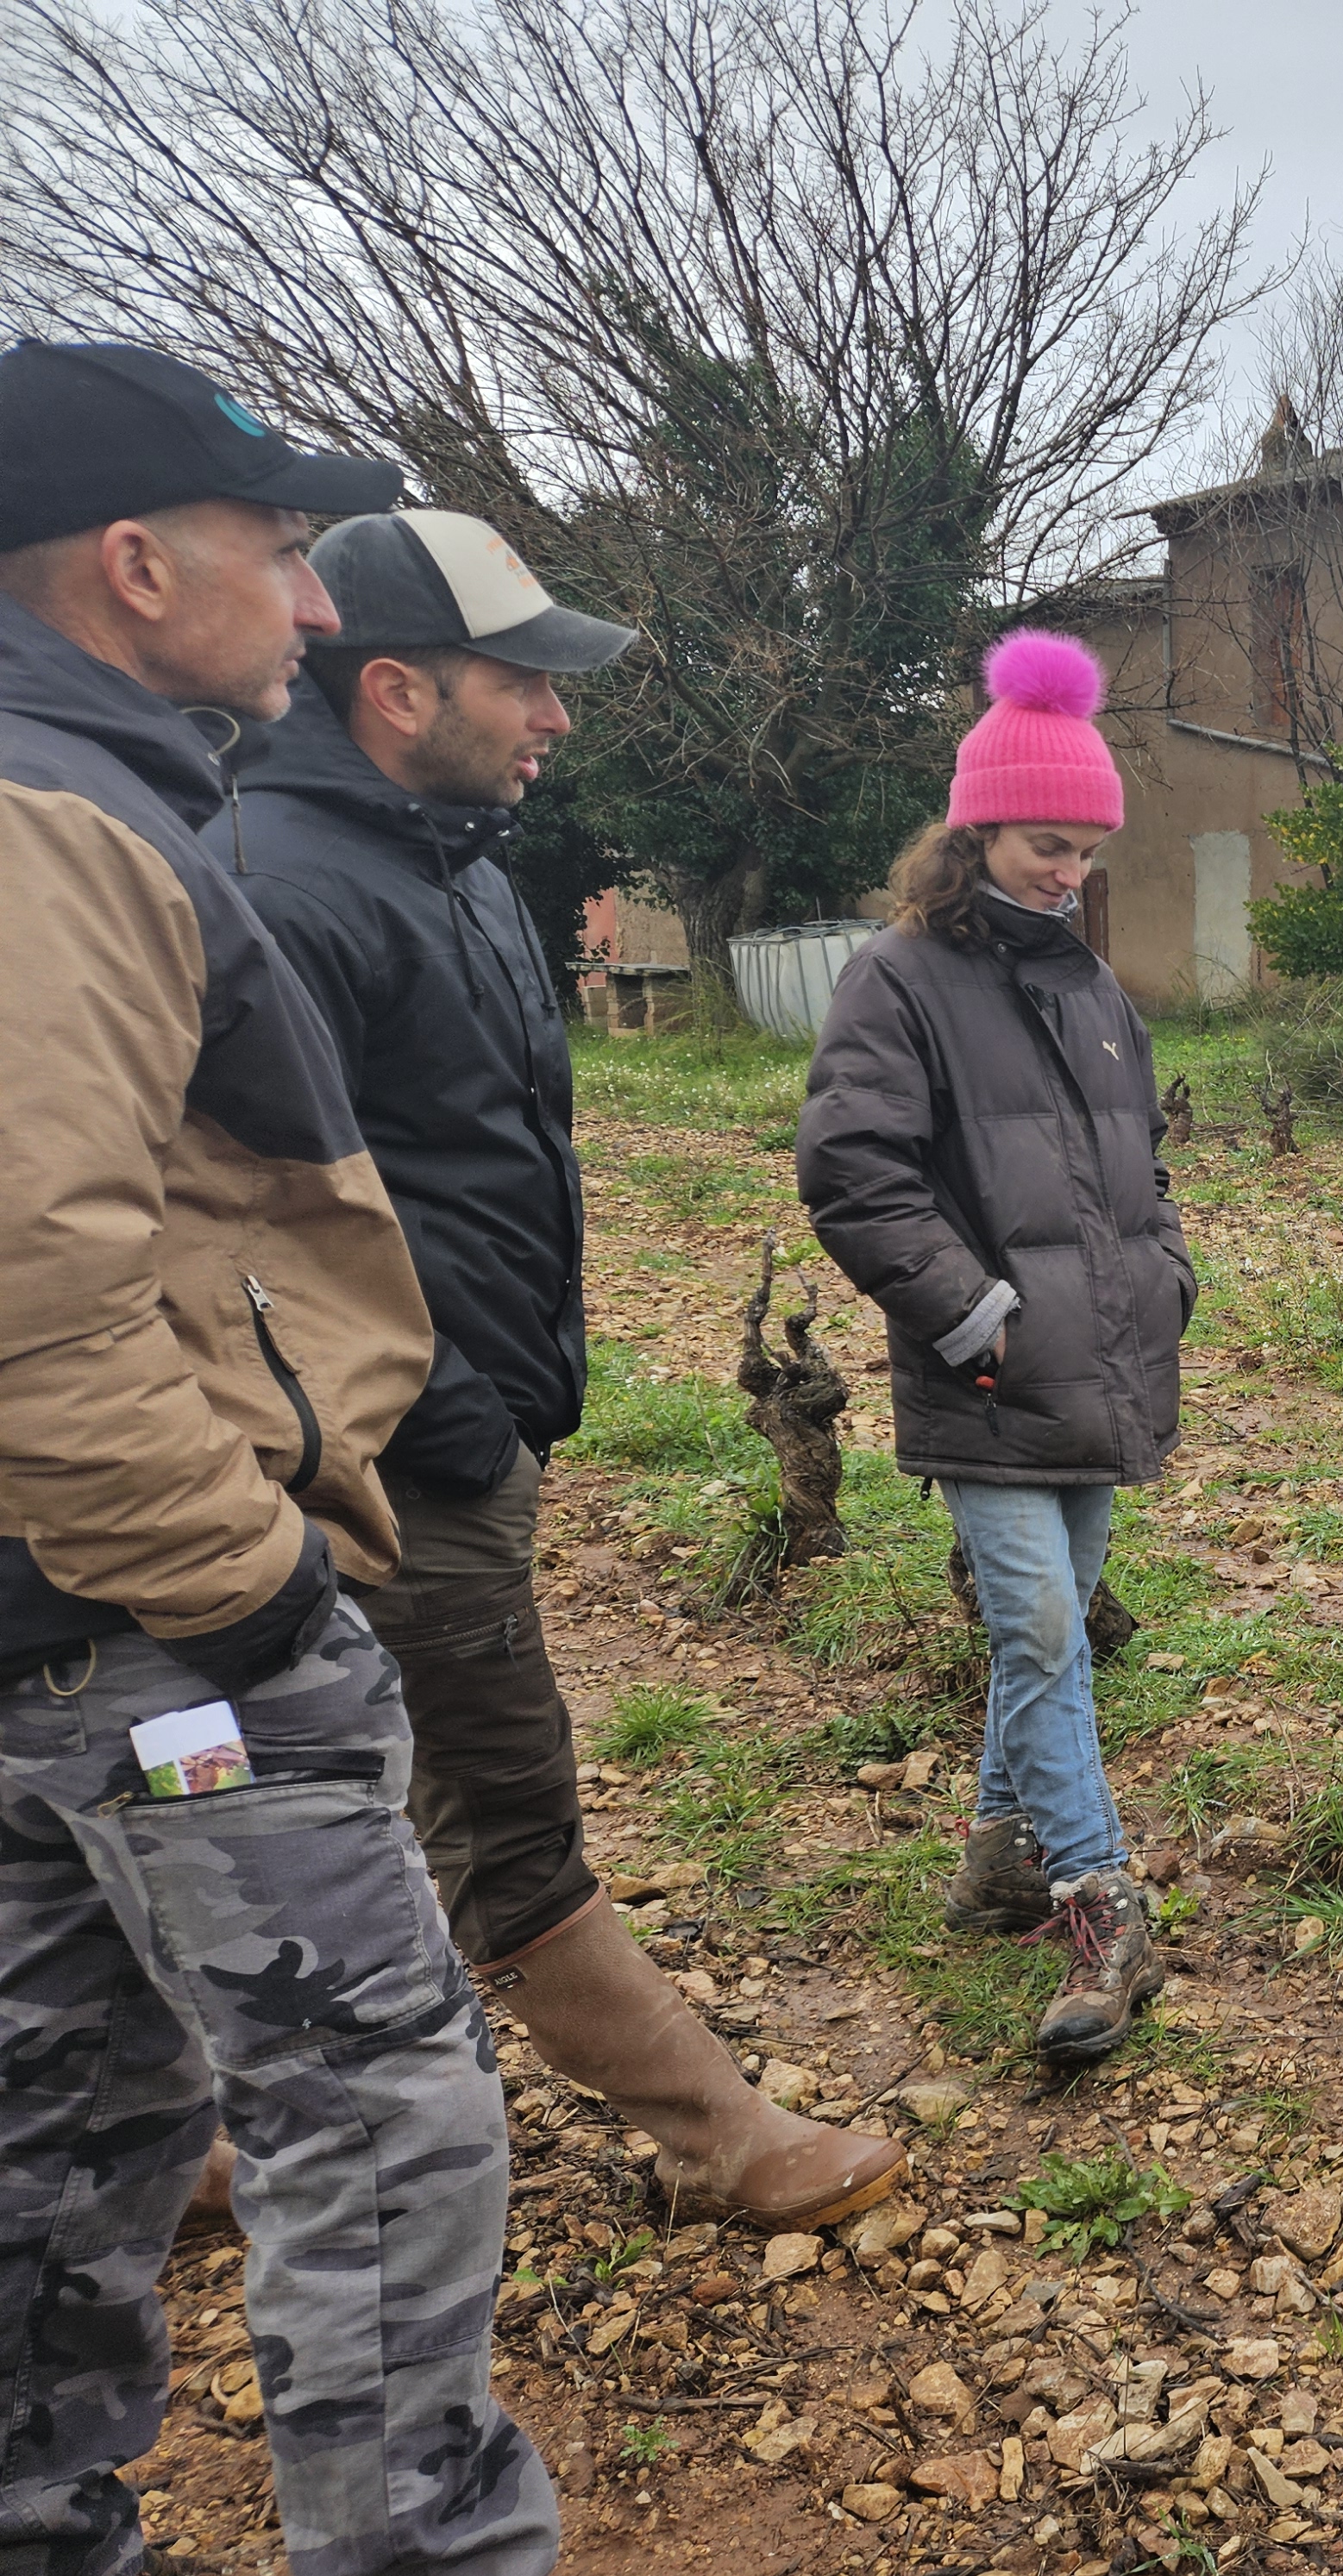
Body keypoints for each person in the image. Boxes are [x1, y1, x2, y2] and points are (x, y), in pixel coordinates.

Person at [0, 340, 556, 2576]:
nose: (313, 612)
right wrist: (255, 1599)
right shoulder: (62, 826)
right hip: (161, 1636)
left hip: (49, 1633)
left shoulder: (93, 795)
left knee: (61, 2126)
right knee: (380, 2127)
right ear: (136, 569)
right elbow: (37, 1288)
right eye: (275, 552)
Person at [218, 507, 906, 2228]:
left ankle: (176, 2140)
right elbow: (262, 1226)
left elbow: (476, 1158)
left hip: (471, 1431)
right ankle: (721, 2132)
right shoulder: (276, 893)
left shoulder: (457, 869)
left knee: (342, 1792)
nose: (557, 718)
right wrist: (443, 1421)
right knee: (505, 1807)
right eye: (522, 681)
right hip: (390, 1456)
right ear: (393, 688)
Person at [800, 631, 1194, 2060]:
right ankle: (1100, 1900)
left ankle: (994, 1859)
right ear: (974, 833)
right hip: (987, 1371)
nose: (1064, 870)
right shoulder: (897, 980)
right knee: (1037, 1629)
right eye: (1043, 841)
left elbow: (1138, 1172)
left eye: (1085, 848)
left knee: (1050, 1639)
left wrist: (1169, 1279)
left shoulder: (1098, 998)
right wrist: (972, 1312)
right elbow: (853, 1169)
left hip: (1101, 1363)